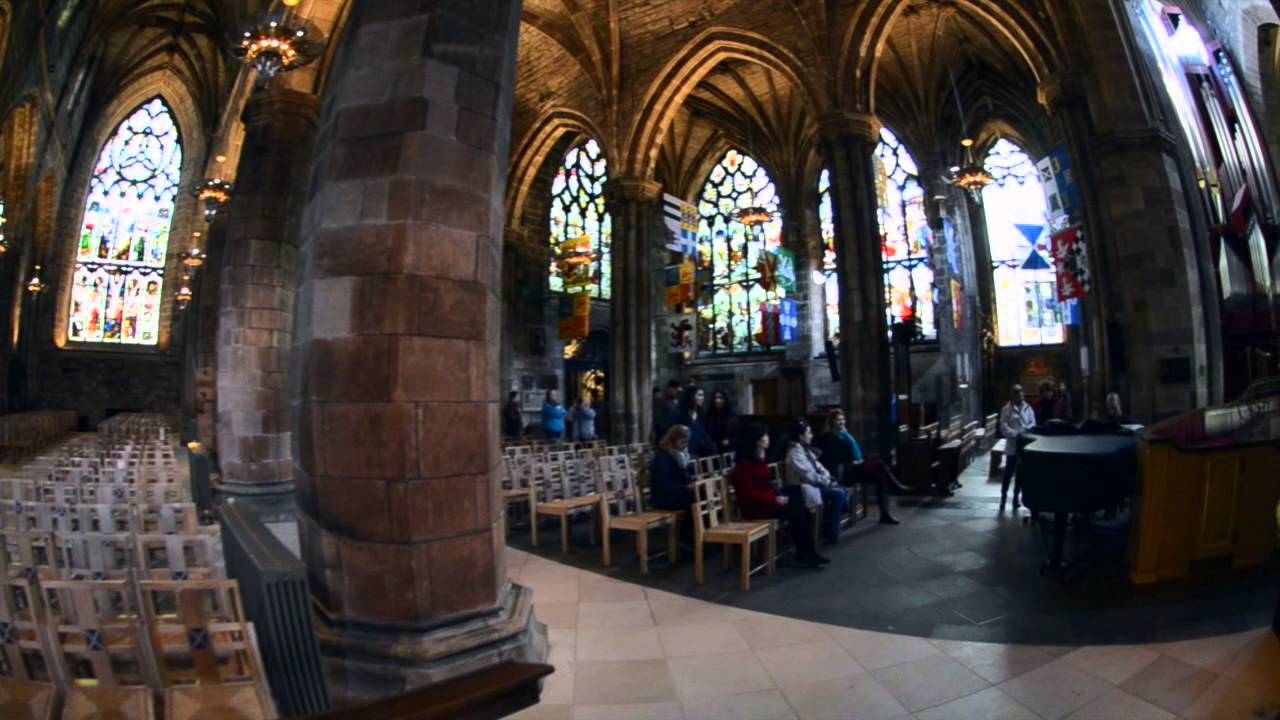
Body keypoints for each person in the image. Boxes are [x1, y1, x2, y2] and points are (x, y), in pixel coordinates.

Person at [731, 424, 827, 568]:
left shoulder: (759, 458)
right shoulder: (744, 465)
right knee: (797, 512)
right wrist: (775, 499)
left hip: (766, 501)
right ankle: (805, 553)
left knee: (801, 505)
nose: (768, 438)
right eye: (765, 436)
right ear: (757, 440)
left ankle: (808, 552)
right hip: (755, 507)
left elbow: (767, 483)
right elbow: (748, 493)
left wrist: (778, 495)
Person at [817, 410, 904, 525]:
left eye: (843, 419)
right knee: (879, 463)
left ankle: (885, 514)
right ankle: (897, 486)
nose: (842, 422)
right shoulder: (828, 437)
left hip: (852, 468)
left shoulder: (843, 435)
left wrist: (848, 436)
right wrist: (852, 459)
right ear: (831, 422)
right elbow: (838, 456)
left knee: (880, 478)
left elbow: (856, 453)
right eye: (838, 420)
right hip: (843, 473)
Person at [784, 419, 849, 543]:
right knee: (839, 494)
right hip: (802, 488)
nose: (811, 436)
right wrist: (827, 482)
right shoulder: (795, 453)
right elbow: (810, 475)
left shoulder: (805, 450)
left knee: (843, 490)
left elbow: (819, 467)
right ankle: (832, 533)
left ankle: (828, 522)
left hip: (813, 485)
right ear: (801, 436)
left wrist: (828, 477)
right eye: (809, 433)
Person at [998, 384, 1037, 511]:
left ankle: (1016, 498)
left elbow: (1032, 422)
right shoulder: (1007, 409)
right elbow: (1003, 426)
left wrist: (1026, 431)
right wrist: (1015, 434)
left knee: (1020, 474)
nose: (1021, 398)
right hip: (1013, 444)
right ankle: (1003, 497)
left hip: (1024, 445)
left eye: (1022, 395)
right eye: (1018, 396)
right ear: (1013, 396)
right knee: (1008, 473)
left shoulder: (1027, 408)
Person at [651, 425, 695, 512]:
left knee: (704, 494)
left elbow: (685, 477)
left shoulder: (680, 456)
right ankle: (693, 525)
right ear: (672, 441)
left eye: (687, 442)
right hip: (665, 499)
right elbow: (664, 486)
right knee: (696, 500)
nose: (685, 446)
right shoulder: (662, 458)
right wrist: (685, 488)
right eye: (682, 442)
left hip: (678, 494)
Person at [680, 385, 716, 458]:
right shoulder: (681, 414)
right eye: (699, 395)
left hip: (699, 455)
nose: (702, 398)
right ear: (691, 396)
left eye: (703, 395)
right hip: (684, 455)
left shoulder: (702, 415)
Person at [705, 389, 739, 454]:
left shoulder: (731, 416)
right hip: (712, 449)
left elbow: (737, 435)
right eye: (715, 398)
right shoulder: (709, 415)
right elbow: (706, 432)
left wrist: (729, 441)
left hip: (728, 449)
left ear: (725, 400)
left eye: (720, 398)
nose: (717, 400)